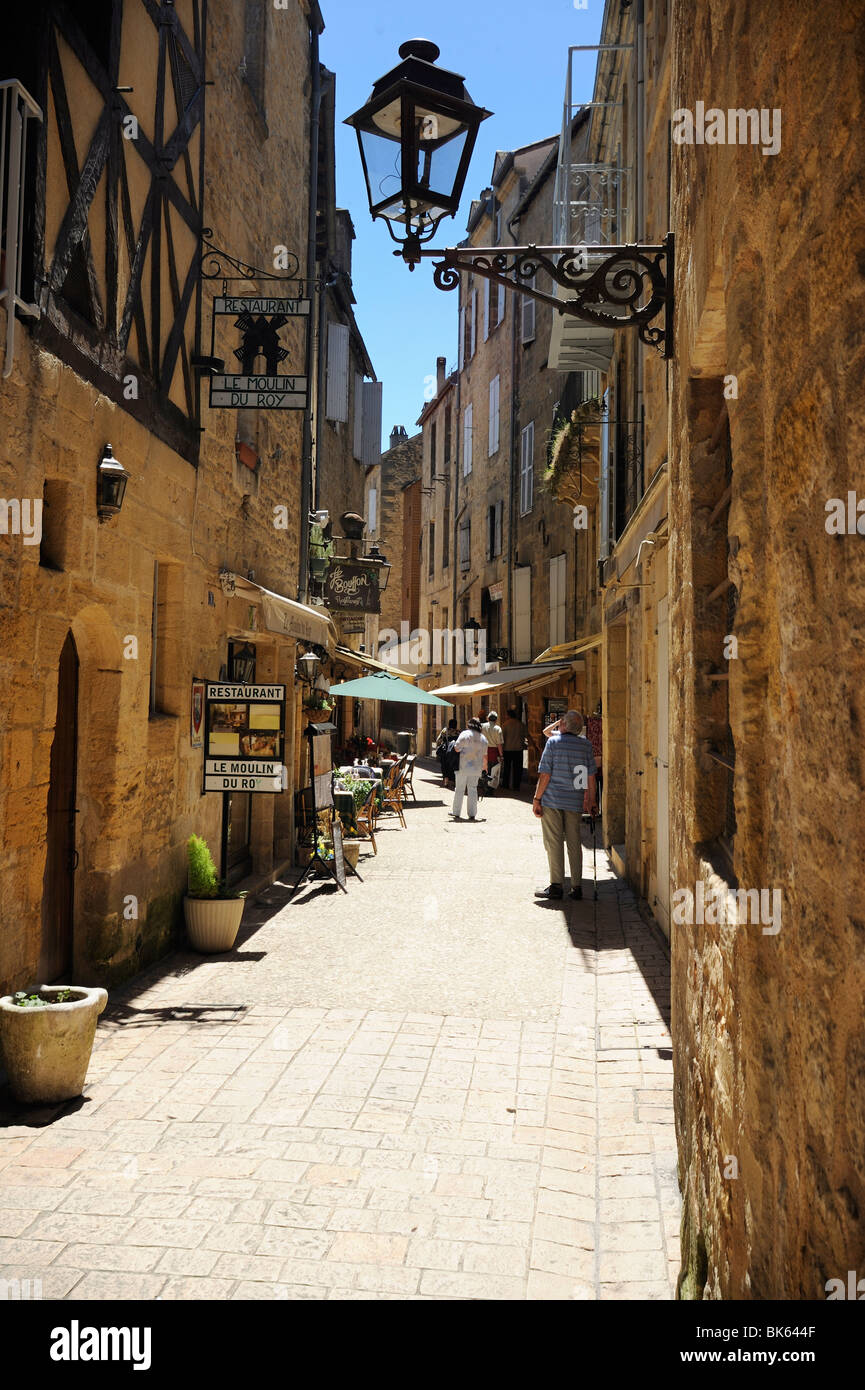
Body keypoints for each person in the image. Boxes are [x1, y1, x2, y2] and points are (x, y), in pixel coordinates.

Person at [532, 709, 598, 901]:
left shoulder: (553, 743)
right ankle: (576, 887)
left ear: (564, 725)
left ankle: (556, 886)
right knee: (574, 843)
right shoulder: (585, 745)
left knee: (554, 842)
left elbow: (545, 774)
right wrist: (591, 800)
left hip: (552, 799)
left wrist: (537, 799)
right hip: (575, 800)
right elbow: (590, 776)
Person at [451, 717, 487, 821]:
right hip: (476, 768)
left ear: (469, 725)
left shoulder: (464, 734)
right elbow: (485, 756)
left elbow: (456, 748)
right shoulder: (483, 738)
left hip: (463, 766)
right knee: (472, 789)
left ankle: (456, 812)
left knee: (459, 789)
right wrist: (485, 768)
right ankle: (472, 813)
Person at [500, 707, 528, 791]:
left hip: (507, 749)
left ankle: (505, 784)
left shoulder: (505, 725)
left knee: (507, 768)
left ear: (508, 715)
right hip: (518, 749)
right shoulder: (521, 724)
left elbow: (502, 738)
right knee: (518, 768)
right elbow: (526, 735)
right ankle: (516, 785)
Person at [436, 718, 458, 787]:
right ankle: (453, 782)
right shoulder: (458, 732)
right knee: (453, 766)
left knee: (444, 766)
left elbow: (438, 740)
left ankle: (446, 781)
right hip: (454, 753)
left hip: (445, 752)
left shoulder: (445, 731)